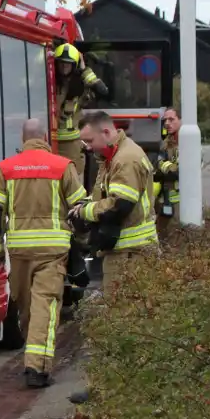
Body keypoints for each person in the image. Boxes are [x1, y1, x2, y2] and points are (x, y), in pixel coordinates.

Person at [0, 118, 87, 388]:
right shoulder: (62, 166)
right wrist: (81, 242)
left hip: (19, 251)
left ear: (23, 139)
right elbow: (80, 209)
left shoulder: (6, 168)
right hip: (52, 252)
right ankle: (37, 368)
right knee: (46, 306)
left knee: (27, 309)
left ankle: (33, 361)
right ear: (44, 138)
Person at [69, 111, 159, 295]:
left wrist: (85, 212)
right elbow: (105, 196)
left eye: (90, 141)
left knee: (121, 307)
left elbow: (120, 204)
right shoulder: (112, 157)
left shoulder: (126, 159)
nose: (88, 147)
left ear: (106, 132)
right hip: (125, 251)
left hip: (131, 253)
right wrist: (85, 204)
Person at [53, 43, 110, 182]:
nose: (64, 67)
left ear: (74, 65)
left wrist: (84, 70)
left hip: (70, 143)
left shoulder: (79, 83)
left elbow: (103, 91)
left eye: (68, 64)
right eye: (61, 63)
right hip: (50, 140)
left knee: (72, 179)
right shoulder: (51, 81)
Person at [154, 107, 181, 237]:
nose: (167, 123)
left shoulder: (189, 143)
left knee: (179, 234)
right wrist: (169, 168)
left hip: (181, 202)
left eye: (171, 119)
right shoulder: (165, 143)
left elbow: (180, 172)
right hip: (164, 198)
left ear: (181, 120)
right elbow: (158, 163)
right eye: (165, 120)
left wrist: (166, 168)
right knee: (161, 233)